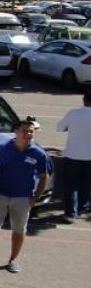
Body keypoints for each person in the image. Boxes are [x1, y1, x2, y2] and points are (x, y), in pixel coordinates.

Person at [0, 119, 51, 273]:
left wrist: (36, 197)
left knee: (19, 230)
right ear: (16, 132)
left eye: (31, 131)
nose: (28, 134)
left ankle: (13, 259)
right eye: (24, 131)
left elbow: (43, 176)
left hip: (22, 198)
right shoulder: (1, 149)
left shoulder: (38, 153)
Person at [55, 90, 91, 223]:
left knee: (71, 185)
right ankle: (82, 206)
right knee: (86, 183)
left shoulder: (74, 113)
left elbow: (60, 127)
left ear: (84, 100)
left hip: (73, 154)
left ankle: (70, 213)